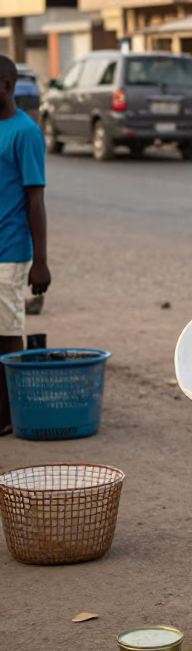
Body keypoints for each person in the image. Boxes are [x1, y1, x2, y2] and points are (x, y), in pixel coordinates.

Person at [0, 56, 50, 435]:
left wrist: (40, 262)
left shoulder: (25, 132)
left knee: (7, 332)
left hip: (10, 251)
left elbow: (35, 200)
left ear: (6, 86)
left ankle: (7, 415)